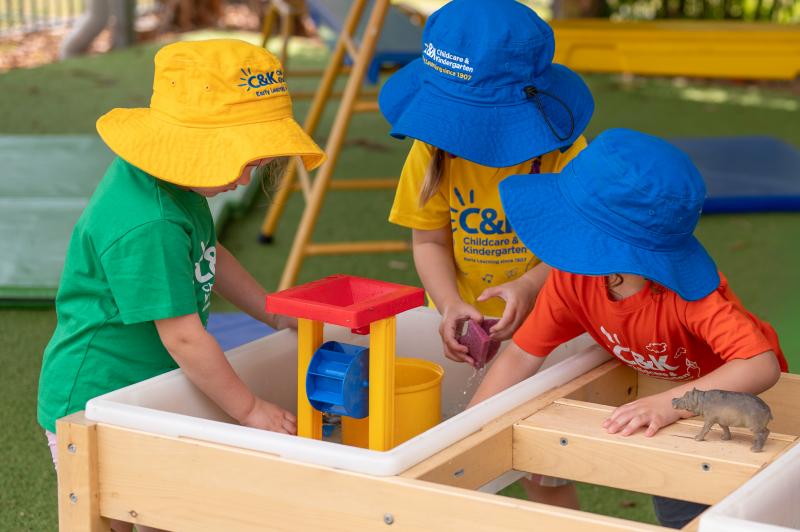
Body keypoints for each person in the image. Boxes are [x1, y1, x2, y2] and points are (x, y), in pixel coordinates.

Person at [37, 39, 324, 532]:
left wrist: (272, 311)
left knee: (159, 507)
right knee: (107, 518)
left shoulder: (171, 182)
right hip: (93, 402)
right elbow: (185, 337)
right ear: (197, 148)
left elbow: (213, 256)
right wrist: (250, 408)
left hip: (148, 388)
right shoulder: (150, 223)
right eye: (243, 162)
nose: (245, 178)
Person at [469, 128, 787, 528]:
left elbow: (761, 365)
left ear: (607, 244)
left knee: (750, 511)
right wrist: (467, 430)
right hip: (678, 413)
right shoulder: (572, 280)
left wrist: (671, 405)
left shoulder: (689, 296)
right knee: (678, 512)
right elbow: (520, 355)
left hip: (734, 407)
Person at [378, 0, 594, 508]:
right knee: (459, 457)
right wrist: (450, 302)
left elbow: (581, 244)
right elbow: (429, 239)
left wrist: (527, 286)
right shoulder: (430, 150)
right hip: (468, 325)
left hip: (555, 329)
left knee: (544, 472)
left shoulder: (564, 147)